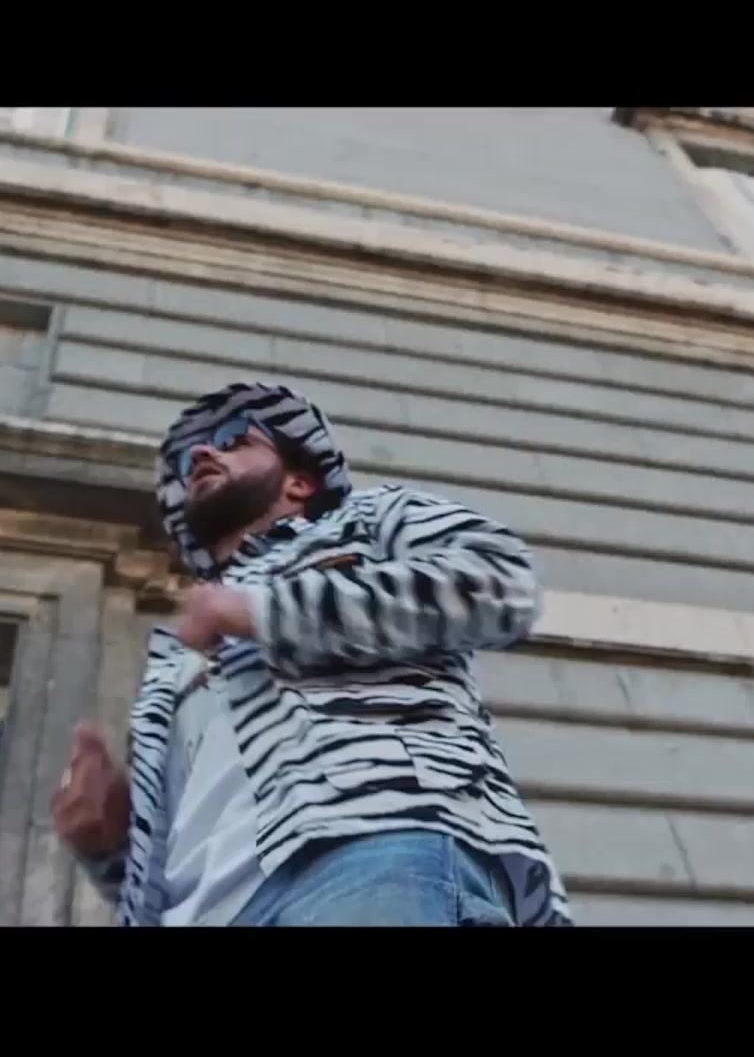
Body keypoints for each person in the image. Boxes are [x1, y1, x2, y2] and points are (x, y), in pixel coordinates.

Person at [51, 381, 571, 926]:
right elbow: (190, 836)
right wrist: (109, 847)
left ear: (299, 482)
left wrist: (264, 612)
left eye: (234, 440)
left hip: (366, 852)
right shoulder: (172, 659)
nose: (202, 453)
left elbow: (499, 585)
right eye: (187, 460)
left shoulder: (368, 521)